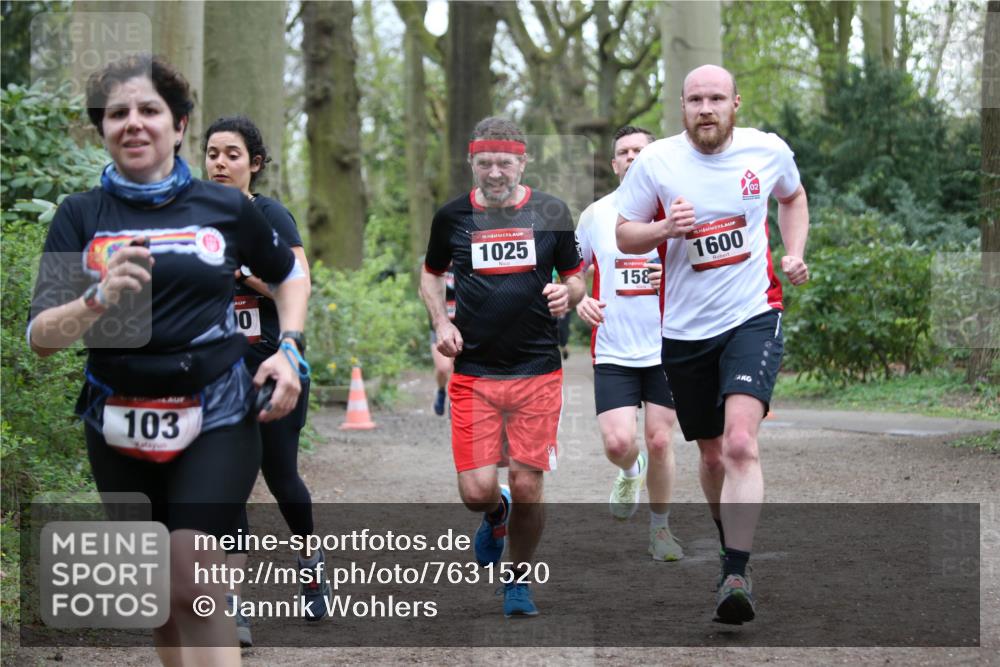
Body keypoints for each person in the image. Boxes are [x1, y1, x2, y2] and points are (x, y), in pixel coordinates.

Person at [28, 54, 309, 664]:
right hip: (117, 418)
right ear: (101, 128)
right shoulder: (83, 215)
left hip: (215, 413)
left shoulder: (225, 208)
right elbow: (44, 337)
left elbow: (290, 275)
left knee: (195, 575)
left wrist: (288, 350)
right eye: (117, 113)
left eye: (149, 110)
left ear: (179, 124)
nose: (133, 123)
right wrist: (95, 301)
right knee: (158, 593)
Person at [616, 64, 809, 625]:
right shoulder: (656, 162)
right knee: (712, 453)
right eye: (696, 99)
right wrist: (663, 231)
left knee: (742, 443)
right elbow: (626, 232)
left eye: (716, 98)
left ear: (735, 103)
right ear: (681, 107)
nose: (706, 108)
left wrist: (793, 251)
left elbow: (792, 198)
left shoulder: (766, 151)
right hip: (683, 330)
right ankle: (733, 549)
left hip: (753, 313)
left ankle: (735, 572)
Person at [420, 117, 585, 618]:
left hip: (537, 369)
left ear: (522, 162)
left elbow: (578, 278)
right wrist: (441, 324)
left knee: (530, 481)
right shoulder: (451, 218)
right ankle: (496, 514)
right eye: (485, 162)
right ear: (471, 162)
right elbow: (430, 277)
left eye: (505, 163)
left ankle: (518, 579)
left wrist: (567, 293)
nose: (495, 172)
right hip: (474, 372)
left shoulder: (551, 212)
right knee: (475, 491)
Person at [203, 115, 328, 646]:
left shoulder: (269, 214)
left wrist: (243, 275)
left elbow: (298, 281)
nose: (220, 163)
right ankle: (234, 607)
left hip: (273, 365)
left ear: (253, 164)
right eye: (212, 153)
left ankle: (309, 557)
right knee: (228, 487)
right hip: (215, 374)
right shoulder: (193, 219)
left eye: (232, 154)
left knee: (280, 477)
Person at [575, 125, 682, 561]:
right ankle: (628, 470)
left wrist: (670, 277)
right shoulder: (595, 215)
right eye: (624, 152)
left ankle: (660, 530)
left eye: (641, 150)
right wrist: (579, 298)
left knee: (660, 440)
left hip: (666, 346)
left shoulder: (677, 210)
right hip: (615, 349)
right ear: (615, 163)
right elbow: (569, 271)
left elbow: (706, 270)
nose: (633, 156)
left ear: (654, 157)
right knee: (620, 443)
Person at [428, 265, 456, 416]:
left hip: (461, 325)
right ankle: (440, 391)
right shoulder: (435, 264)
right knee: (443, 368)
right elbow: (425, 293)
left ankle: (454, 403)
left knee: (455, 368)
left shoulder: (464, 261)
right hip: (439, 327)